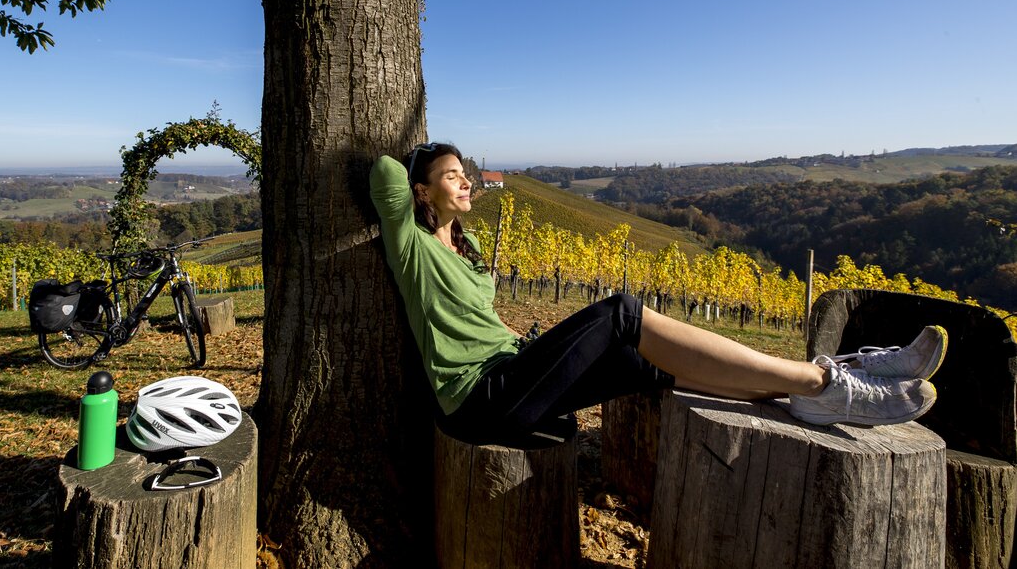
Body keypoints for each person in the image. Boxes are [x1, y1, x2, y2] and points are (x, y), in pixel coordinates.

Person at [370, 142, 947, 444]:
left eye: (467, 171)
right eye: (452, 175)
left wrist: (440, 169)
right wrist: (420, 157)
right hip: (478, 400)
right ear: (422, 192)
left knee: (638, 361)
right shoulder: (411, 246)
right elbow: (383, 175)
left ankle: (808, 387)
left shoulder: (467, 257)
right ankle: (821, 382)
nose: (468, 180)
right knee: (621, 313)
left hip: (514, 370)